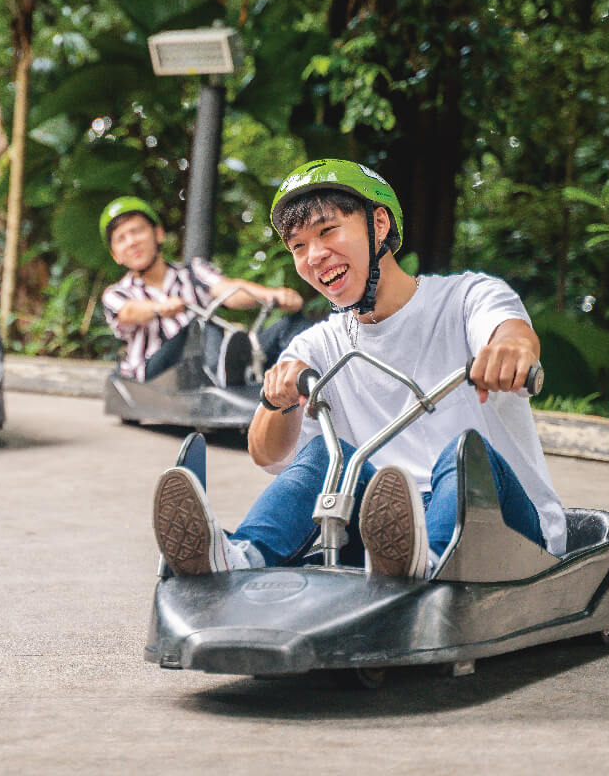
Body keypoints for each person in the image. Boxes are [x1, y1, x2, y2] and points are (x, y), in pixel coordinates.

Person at [151, 159, 566, 580]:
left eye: (328, 231)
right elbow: (265, 454)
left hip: (509, 530)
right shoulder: (315, 346)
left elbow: (509, 330)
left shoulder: (467, 297)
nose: (314, 256)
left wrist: (510, 349)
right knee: (324, 456)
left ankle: (430, 562)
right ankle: (241, 557)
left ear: (379, 224)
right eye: (298, 246)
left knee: (464, 454)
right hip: (385, 533)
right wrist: (278, 400)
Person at [99, 195, 311, 385]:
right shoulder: (116, 293)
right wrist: (160, 308)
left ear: (158, 234)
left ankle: (303, 385)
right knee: (200, 325)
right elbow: (128, 312)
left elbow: (228, 290)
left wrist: (273, 296)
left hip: (213, 357)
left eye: (137, 231)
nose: (132, 242)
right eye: (121, 238)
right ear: (115, 255)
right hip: (156, 375)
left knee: (292, 326)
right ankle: (222, 377)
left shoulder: (193, 271)